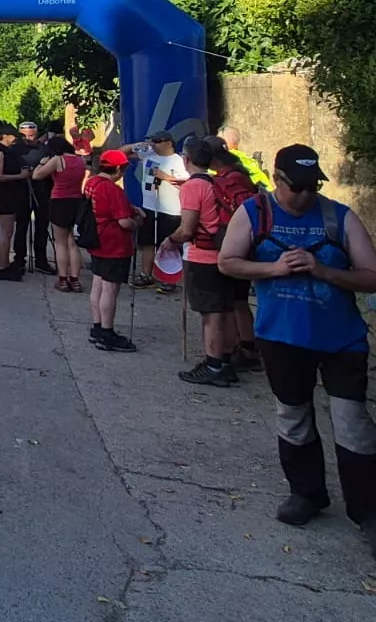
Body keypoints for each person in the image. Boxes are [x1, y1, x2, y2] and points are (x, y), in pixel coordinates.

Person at [217, 144, 376, 554]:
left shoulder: (337, 216)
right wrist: (275, 268)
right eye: (297, 187)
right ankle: (307, 494)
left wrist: (323, 270)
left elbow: (371, 275)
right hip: (282, 337)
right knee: (293, 417)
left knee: (353, 424)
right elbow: (228, 262)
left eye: (312, 186)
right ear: (277, 178)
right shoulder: (255, 213)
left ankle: (368, 511)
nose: (304, 195)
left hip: (341, 339)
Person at [162, 137, 255, 387]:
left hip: (202, 256)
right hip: (224, 253)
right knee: (223, 309)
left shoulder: (193, 187)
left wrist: (170, 241)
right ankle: (224, 359)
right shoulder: (217, 181)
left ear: (186, 159)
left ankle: (214, 364)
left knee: (210, 314)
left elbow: (188, 228)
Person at [82, 150, 139, 352]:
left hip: (97, 239)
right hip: (114, 244)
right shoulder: (112, 189)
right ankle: (107, 331)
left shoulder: (93, 183)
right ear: (118, 169)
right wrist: (136, 222)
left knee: (98, 283)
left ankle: (97, 326)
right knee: (110, 289)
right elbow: (124, 222)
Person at [122, 130, 186, 289]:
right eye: (153, 141)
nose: (154, 144)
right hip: (150, 206)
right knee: (147, 243)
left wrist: (166, 177)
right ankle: (146, 274)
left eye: (158, 141)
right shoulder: (148, 155)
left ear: (169, 143)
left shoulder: (179, 161)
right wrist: (135, 146)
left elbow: (187, 183)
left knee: (168, 245)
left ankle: (168, 277)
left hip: (170, 209)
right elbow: (120, 153)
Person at [34, 136, 87, 293]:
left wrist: (42, 163)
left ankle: (63, 279)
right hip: (76, 201)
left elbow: (37, 175)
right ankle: (75, 279)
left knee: (60, 242)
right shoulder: (80, 161)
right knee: (73, 242)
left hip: (59, 201)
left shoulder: (58, 160)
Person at [13, 122, 56, 275]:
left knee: (42, 227)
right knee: (21, 226)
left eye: (32, 135)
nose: (29, 138)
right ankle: (19, 259)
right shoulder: (15, 149)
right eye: (25, 135)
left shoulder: (45, 149)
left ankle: (41, 260)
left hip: (42, 192)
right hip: (21, 192)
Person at [0, 125, 29, 281]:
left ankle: (5, 264)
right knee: (6, 232)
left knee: (8, 231)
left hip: (8, 195)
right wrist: (21, 175)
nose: (15, 140)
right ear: (4, 136)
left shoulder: (2, 150)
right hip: (4, 195)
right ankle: (2, 267)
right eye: (13, 137)